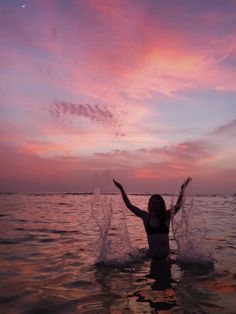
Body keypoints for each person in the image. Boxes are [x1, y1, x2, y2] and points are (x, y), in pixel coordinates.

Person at [113, 177, 192, 259]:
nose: (155, 206)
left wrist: (182, 189)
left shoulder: (166, 216)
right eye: (153, 203)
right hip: (151, 258)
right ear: (149, 205)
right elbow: (129, 206)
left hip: (166, 259)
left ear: (161, 206)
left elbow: (178, 205)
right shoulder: (146, 217)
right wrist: (121, 189)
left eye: (158, 204)